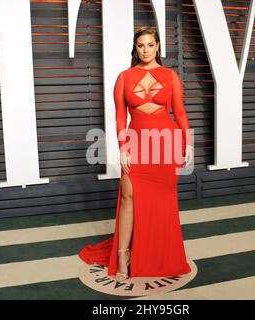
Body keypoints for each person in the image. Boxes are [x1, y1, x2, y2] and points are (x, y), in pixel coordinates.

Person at [79, 26, 194, 281]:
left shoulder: (171, 76)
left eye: (150, 45)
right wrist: (122, 147)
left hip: (165, 142)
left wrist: (187, 143)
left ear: (157, 47)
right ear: (136, 48)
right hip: (137, 141)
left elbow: (181, 112)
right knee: (128, 197)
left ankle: (159, 256)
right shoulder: (124, 77)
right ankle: (123, 255)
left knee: (162, 202)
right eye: (141, 45)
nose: (146, 50)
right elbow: (121, 116)